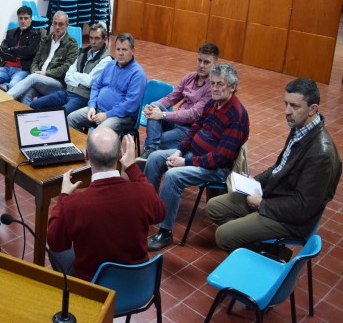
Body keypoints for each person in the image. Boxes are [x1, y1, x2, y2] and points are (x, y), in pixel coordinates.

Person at [207, 78, 341, 253]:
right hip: (276, 197)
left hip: (291, 220)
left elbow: (302, 208)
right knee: (214, 207)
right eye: (285, 104)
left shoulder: (321, 154)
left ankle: (272, 253)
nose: (287, 111)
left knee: (223, 236)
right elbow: (278, 168)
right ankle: (262, 244)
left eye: (294, 106)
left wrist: (261, 205)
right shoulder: (300, 128)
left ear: (312, 109)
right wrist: (251, 184)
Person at [144, 62, 249, 250]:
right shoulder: (212, 104)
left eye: (220, 84)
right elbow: (194, 129)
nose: (215, 88)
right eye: (213, 83)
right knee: (155, 158)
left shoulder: (237, 116)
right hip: (194, 154)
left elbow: (220, 158)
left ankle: (165, 232)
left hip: (215, 168)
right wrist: (179, 151)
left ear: (232, 87)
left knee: (173, 176)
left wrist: (184, 161)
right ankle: (148, 209)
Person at [47, 126, 166, 281]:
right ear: (120, 154)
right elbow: (160, 214)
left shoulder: (74, 204)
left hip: (95, 288)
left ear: (87, 155)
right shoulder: (144, 193)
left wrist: (63, 196)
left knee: (54, 251)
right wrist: (132, 168)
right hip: (137, 283)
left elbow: (56, 243)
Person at [137, 42, 219, 163]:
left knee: (156, 140)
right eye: (199, 60)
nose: (201, 65)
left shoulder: (212, 87)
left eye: (206, 62)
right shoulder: (189, 77)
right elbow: (171, 98)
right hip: (176, 122)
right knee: (156, 105)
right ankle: (151, 149)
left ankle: (150, 150)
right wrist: (152, 106)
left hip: (190, 129)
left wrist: (163, 115)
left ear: (215, 64)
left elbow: (193, 114)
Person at [67, 33, 146, 135]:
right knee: (71, 119)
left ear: (133, 51)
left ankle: (94, 149)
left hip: (121, 116)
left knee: (99, 132)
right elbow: (96, 85)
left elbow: (130, 105)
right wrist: (92, 106)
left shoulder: (137, 74)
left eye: (124, 49)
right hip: (97, 109)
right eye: (118, 49)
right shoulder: (111, 64)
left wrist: (107, 115)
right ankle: (81, 149)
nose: (120, 53)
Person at [30, 23, 112, 115]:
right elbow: (67, 76)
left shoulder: (106, 59)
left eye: (97, 38)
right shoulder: (83, 52)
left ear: (104, 39)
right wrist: (79, 79)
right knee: (35, 104)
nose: (93, 42)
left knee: (60, 115)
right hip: (67, 92)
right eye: (91, 38)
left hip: (83, 97)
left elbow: (89, 82)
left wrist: (75, 75)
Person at [7, 11, 79, 106]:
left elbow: (65, 69)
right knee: (27, 93)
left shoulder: (72, 44)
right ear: (52, 24)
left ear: (66, 25)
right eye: (55, 23)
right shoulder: (46, 40)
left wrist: (45, 74)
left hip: (57, 83)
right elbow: (35, 61)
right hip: (40, 79)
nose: (57, 27)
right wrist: (36, 72)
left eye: (61, 24)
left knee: (32, 78)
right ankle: (26, 118)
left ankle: (5, 99)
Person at [0, 5, 40, 89]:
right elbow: (2, 52)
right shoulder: (11, 32)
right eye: (20, 18)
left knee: (12, 86)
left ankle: (9, 98)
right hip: (6, 67)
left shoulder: (35, 34)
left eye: (26, 18)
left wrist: (10, 49)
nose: (23, 21)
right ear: (17, 19)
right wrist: (17, 55)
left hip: (22, 69)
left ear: (31, 19)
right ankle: (5, 96)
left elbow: (28, 51)